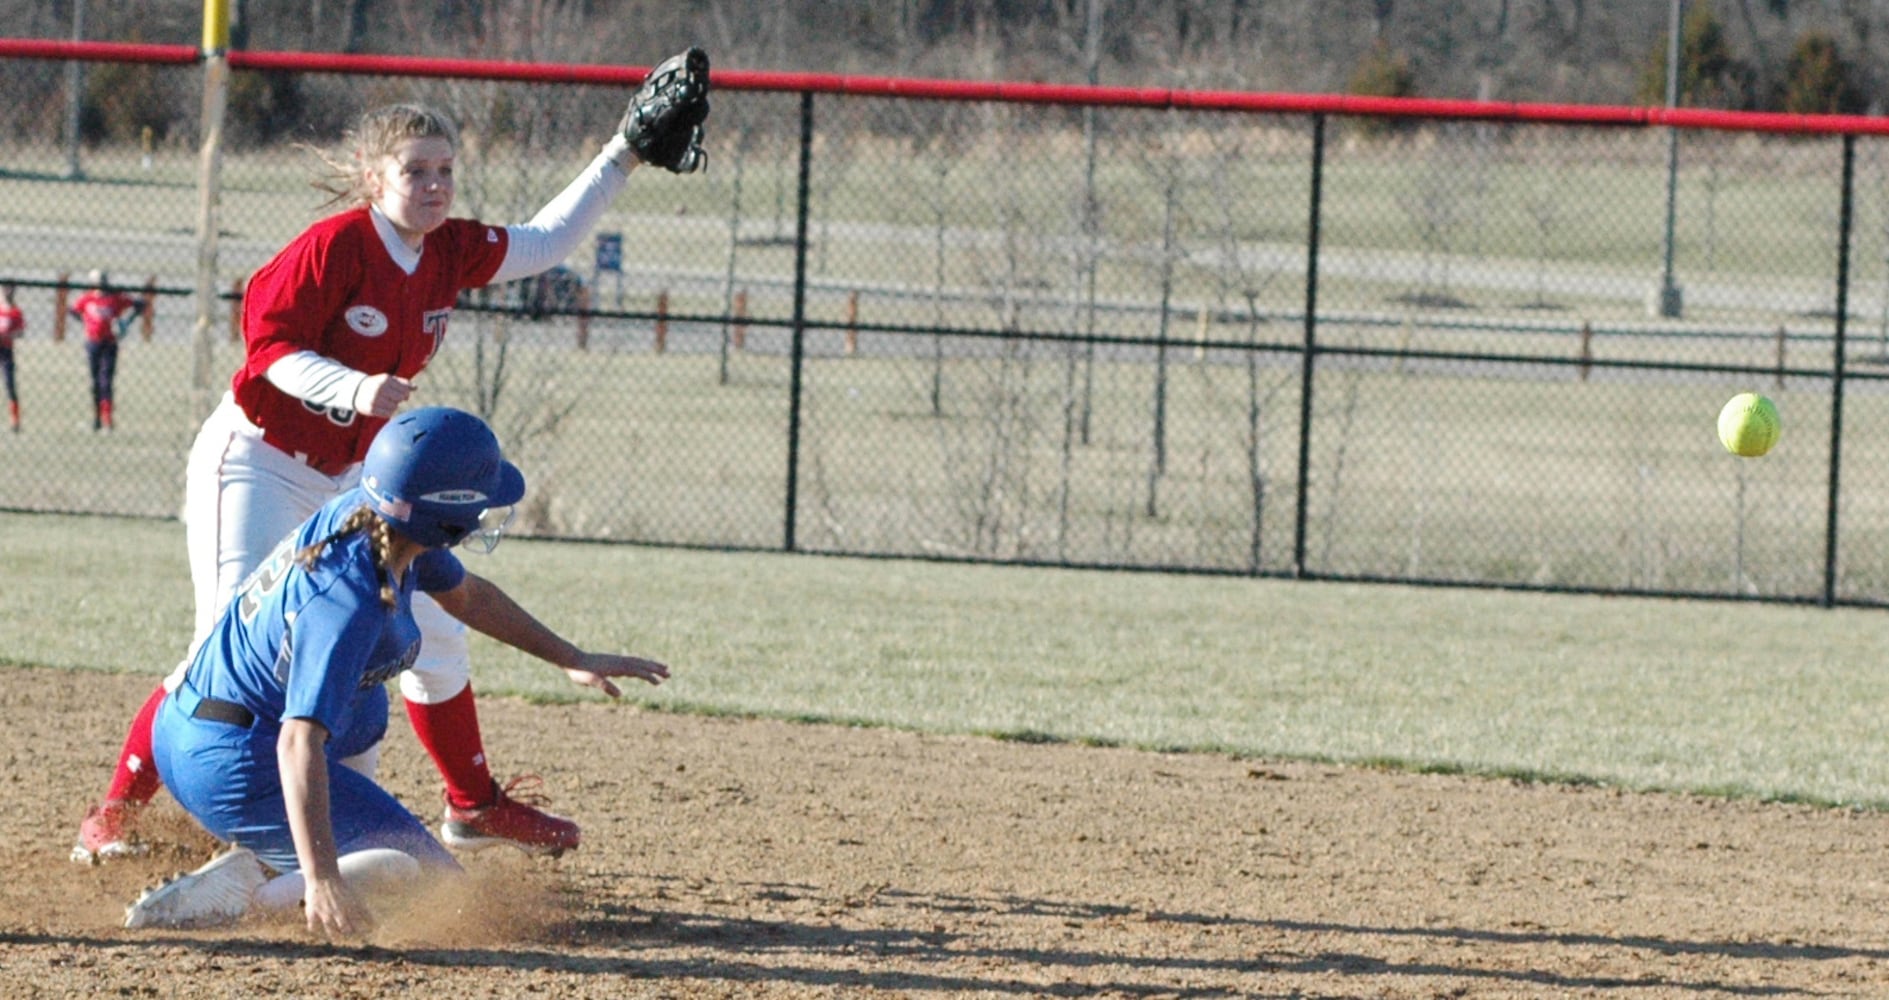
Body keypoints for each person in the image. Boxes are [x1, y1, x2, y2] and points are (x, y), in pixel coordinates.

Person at [72, 47, 710, 863]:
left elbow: (547, 241)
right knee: (229, 640)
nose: (436, 185)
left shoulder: (445, 248)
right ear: (376, 180)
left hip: (355, 475)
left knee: (436, 628)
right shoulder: (335, 246)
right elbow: (267, 348)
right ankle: (115, 812)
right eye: (416, 170)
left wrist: (622, 151)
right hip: (260, 457)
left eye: (445, 169)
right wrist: (351, 387)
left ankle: (473, 804)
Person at [123, 407, 669, 935]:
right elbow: (297, 742)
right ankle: (248, 897)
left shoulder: (379, 522)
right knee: (429, 889)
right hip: (233, 761)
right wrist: (323, 878)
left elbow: (469, 598)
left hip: (205, 730)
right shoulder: (348, 601)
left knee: (367, 706)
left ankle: (275, 856)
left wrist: (571, 657)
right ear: (445, 515)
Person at [69, 269, 144, 431]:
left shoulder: (115, 298)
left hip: (109, 344)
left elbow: (139, 304)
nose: (100, 284)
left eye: (102, 280)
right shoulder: (87, 299)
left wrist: (126, 323)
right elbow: (74, 311)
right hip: (93, 343)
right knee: (95, 382)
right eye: (96, 281)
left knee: (106, 381)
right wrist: (85, 322)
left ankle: (107, 419)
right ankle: (96, 419)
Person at [0, 283, 22, 432]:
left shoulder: (16, 312)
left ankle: (15, 421)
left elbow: (20, 332)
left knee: (10, 384)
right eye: (5, 288)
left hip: (6, 351)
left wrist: (7, 335)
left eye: (10, 289)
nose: (7, 292)